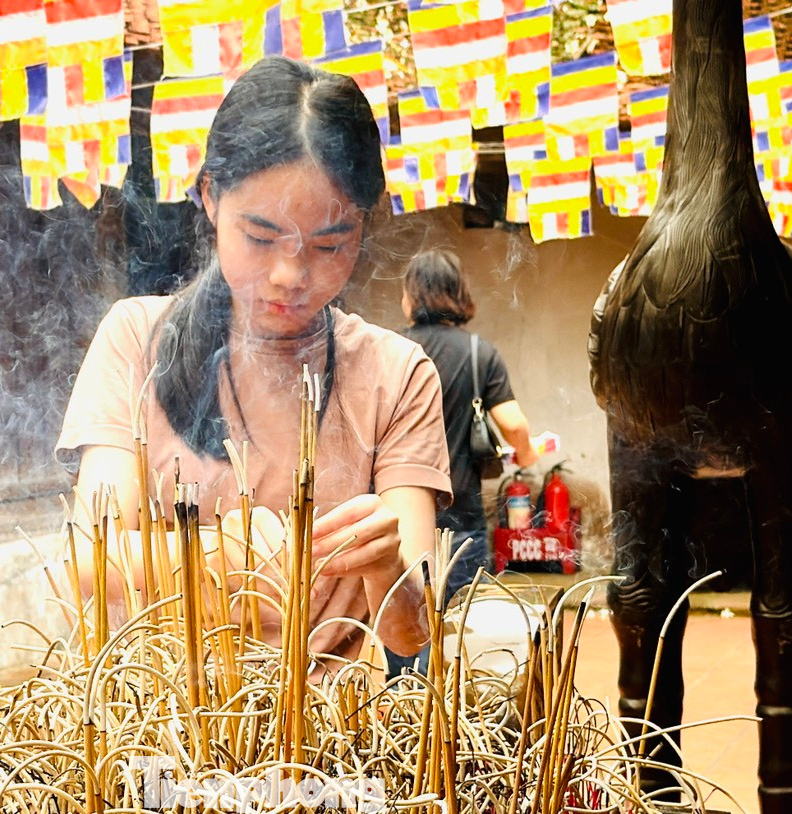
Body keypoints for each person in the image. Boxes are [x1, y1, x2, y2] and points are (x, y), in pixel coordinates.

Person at [55, 57, 452, 670]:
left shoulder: (397, 375)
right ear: (211, 196)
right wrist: (222, 551)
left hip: (326, 745)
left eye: (330, 245)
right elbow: (86, 562)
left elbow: (413, 633)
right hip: (162, 735)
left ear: (362, 226)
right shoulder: (137, 340)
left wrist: (387, 565)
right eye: (261, 238)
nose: (290, 275)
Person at [401, 248, 538, 600]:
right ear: (458, 292)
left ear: (412, 296)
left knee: (409, 635)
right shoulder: (480, 353)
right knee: (463, 630)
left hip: (403, 511)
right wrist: (525, 456)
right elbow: (515, 426)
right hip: (463, 514)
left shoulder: (394, 350)